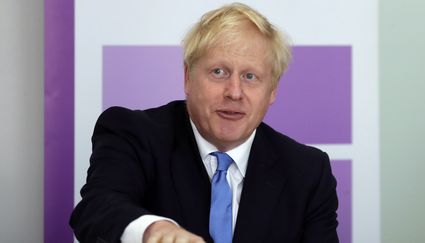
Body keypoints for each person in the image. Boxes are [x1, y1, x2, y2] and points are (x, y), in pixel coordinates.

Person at [70, 3, 339, 243]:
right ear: (188, 77)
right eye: (218, 72)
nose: (234, 92)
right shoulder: (133, 133)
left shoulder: (307, 171)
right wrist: (151, 230)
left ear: (272, 91)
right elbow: (96, 208)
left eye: (250, 76)